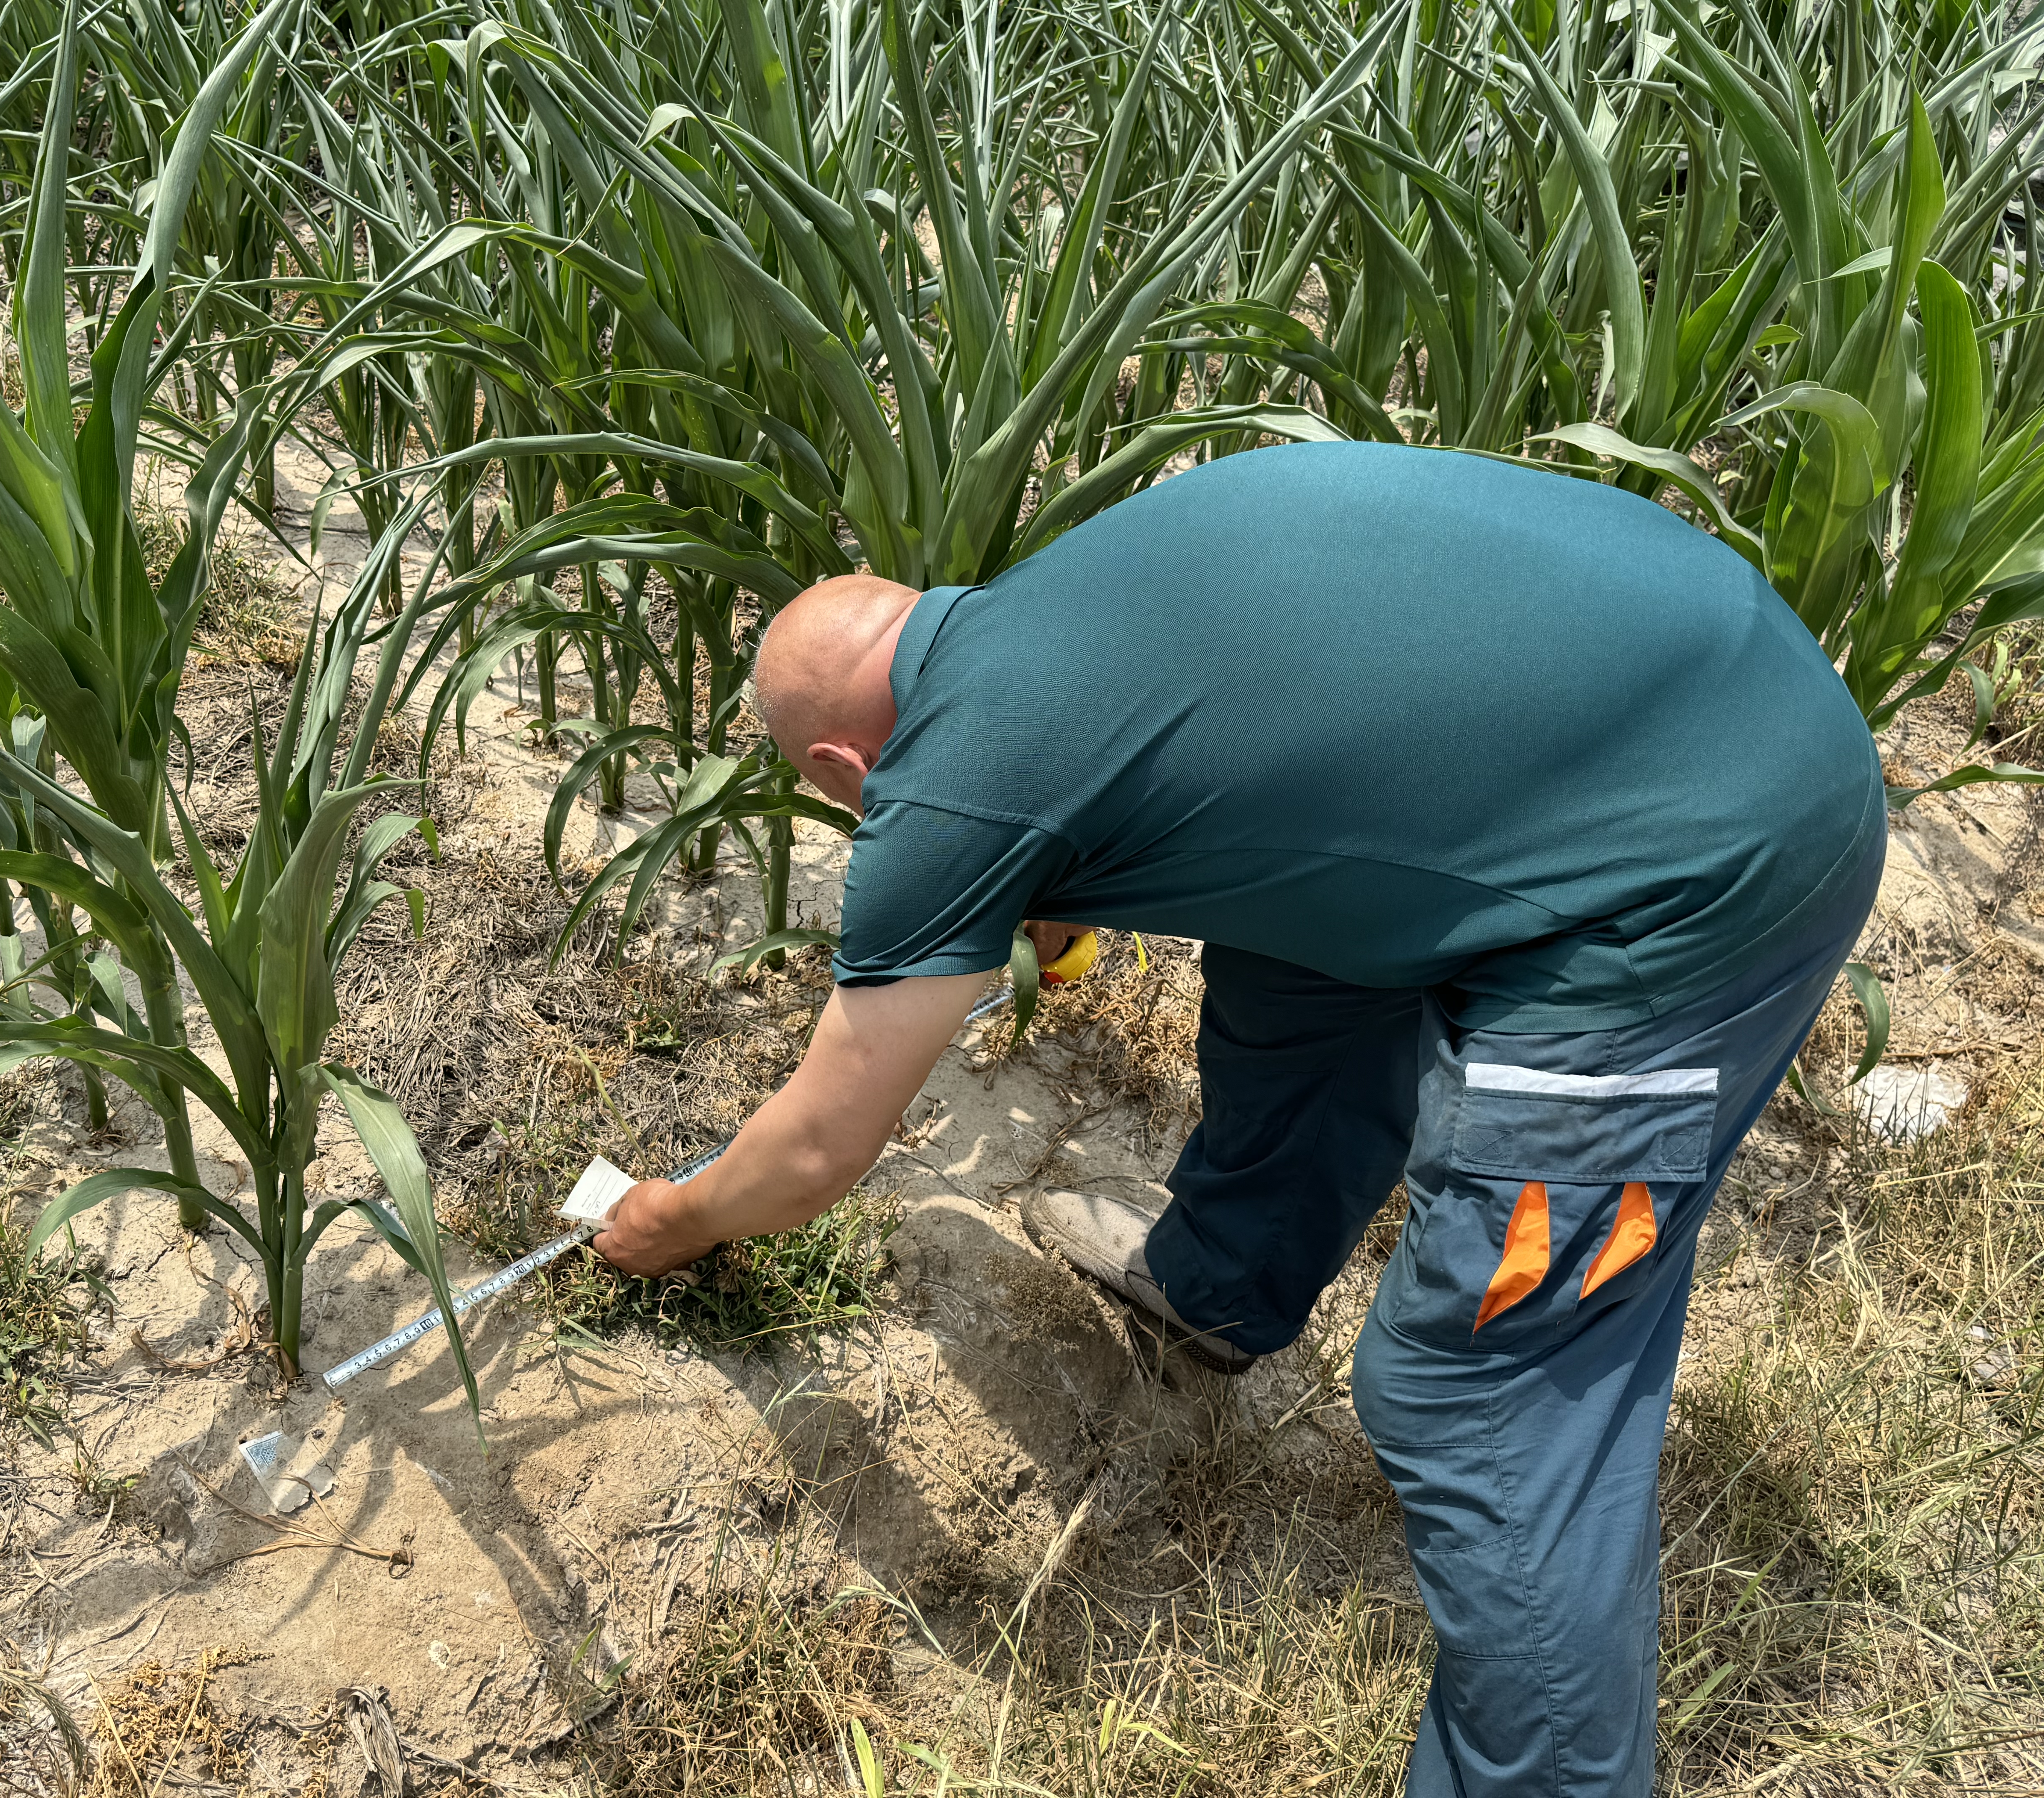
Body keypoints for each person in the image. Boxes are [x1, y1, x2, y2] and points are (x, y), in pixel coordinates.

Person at [589, 439, 1883, 1798]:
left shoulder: (947, 778)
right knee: (1298, 931)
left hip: (1712, 864)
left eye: (839, 794)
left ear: (849, 761)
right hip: (1720, 673)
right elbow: (1248, 773)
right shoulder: (1052, 606)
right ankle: (1221, 1281)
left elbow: (816, 1149)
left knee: (1478, 1379)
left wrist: (672, 1216)